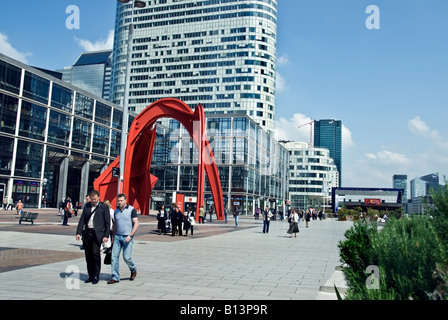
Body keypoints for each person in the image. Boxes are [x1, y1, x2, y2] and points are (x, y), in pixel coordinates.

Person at [75, 190, 110, 285]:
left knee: (95, 254)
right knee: (88, 255)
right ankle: (90, 275)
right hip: (87, 233)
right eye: (92, 199)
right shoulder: (87, 206)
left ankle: (96, 275)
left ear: (98, 197)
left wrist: (106, 235)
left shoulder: (103, 207)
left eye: (95, 199)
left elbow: (107, 222)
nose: (93, 201)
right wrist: (78, 232)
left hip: (97, 234)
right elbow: (82, 220)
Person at [108, 193, 139, 284]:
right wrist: (113, 237)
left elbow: (136, 223)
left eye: (121, 201)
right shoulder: (116, 211)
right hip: (117, 236)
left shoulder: (131, 210)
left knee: (126, 257)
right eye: (118, 201)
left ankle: (133, 269)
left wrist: (131, 235)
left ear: (125, 201)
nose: (119, 202)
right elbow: (115, 225)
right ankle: (115, 276)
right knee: (114, 257)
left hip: (127, 237)